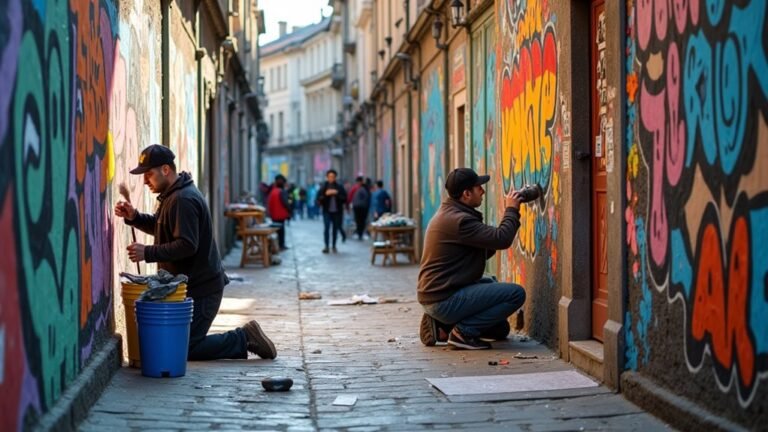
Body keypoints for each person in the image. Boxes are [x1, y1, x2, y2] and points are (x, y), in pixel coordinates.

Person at [114, 145, 277, 361]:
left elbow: (187, 245)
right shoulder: (172, 195)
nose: (145, 180)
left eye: (148, 174)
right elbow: (162, 228)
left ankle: (243, 338)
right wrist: (135, 217)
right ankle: (242, 338)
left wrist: (148, 252)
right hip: (189, 288)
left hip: (202, 290)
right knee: (178, 343)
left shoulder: (183, 199)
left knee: (185, 347)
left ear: (165, 170)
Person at [418, 167, 526, 350]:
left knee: (500, 330)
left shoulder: (451, 213)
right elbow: (502, 239)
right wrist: (512, 209)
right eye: (478, 187)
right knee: (516, 293)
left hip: (439, 294)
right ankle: (463, 333)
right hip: (443, 299)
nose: (483, 191)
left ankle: (442, 326)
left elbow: (483, 249)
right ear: (466, 194)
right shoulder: (460, 220)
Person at [317, 169, 347, 253]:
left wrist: (336, 194)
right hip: (326, 211)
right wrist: (326, 195)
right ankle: (326, 246)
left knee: (335, 229)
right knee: (326, 228)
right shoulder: (323, 187)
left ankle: (334, 246)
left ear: (335, 178)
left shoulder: (339, 187)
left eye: (333, 177)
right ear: (327, 177)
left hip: (337, 212)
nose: (331, 178)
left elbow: (344, 198)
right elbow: (318, 199)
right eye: (329, 176)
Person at [267, 174, 291, 251]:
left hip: (274, 215)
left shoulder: (273, 191)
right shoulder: (281, 191)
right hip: (281, 214)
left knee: (277, 231)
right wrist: (289, 210)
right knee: (281, 231)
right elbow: (286, 202)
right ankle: (281, 245)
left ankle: (277, 245)